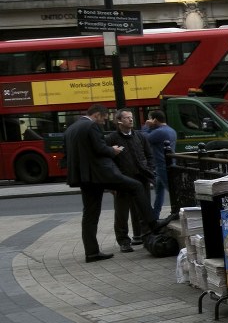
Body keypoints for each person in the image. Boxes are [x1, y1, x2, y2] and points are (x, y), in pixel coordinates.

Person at [65, 105, 145, 263]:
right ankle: (151, 226)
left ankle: (92, 252)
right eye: (103, 118)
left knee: (89, 215)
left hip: (83, 177)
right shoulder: (91, 125)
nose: (103, 122)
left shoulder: (71, 128)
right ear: (96, 115)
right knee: (136, 186)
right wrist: (112, 150)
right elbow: (99, 149)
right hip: (95, 176)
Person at [105, 109, 155, 252]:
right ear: (119, 121)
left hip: (141, 178)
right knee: (122, 212)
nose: (131, 120)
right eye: (127, 118)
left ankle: (145, 236)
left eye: (131, 117)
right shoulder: (111, 139)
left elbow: (149, 155)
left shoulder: (140, 136)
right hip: (122, 180)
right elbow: (108, 162)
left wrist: (149, 170)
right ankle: (123, 241)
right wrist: (112, 183)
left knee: (144, 209)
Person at [142, 110, 178, 225]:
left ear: (155, 120)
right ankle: (155, 215)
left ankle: (177, 210)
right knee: (159, 191)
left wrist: (147, 126)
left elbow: (143, 138)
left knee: (171, 191)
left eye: (150, 119)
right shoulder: (171, 130)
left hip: (162, 165)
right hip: (167, 164)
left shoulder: (160, 132)